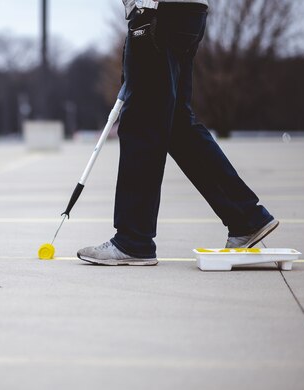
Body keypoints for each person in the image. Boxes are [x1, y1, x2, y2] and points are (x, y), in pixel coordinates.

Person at [77, 0, 278, 266]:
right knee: (177, 125)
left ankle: (133, 240)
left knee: (141, 126)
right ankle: (245, 218)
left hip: (156, 13)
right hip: (189, 14)